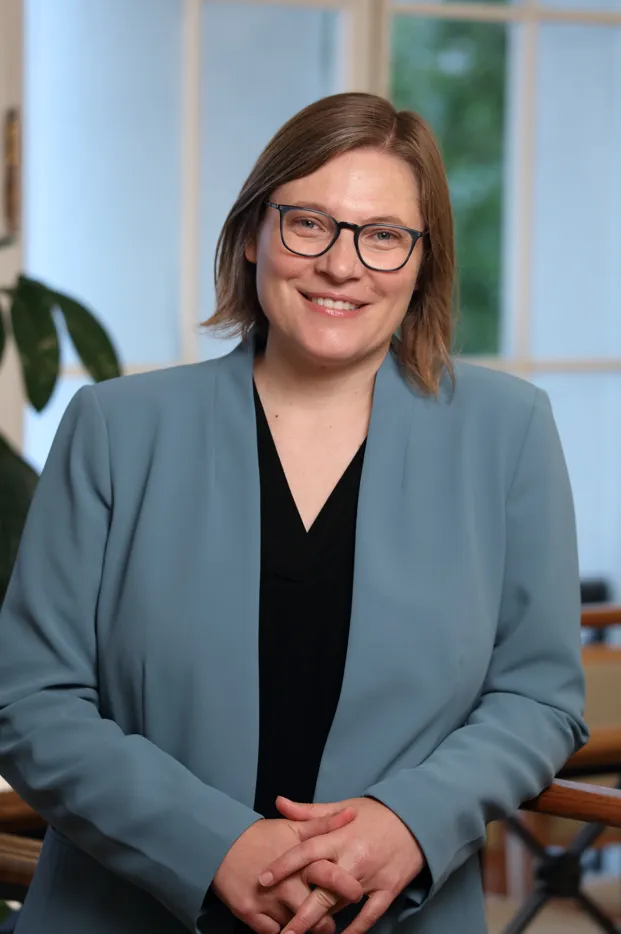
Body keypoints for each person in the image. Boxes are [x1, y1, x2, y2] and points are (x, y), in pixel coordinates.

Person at [0, 92, 587, 934]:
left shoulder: (507, 429)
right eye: (308, 223)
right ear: (252, 234)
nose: (342, 265)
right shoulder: (116, 429)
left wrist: (405, 824)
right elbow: (29, 699)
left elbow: (538, 696)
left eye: (383, 236)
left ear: (422, 262)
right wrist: (216, 848)